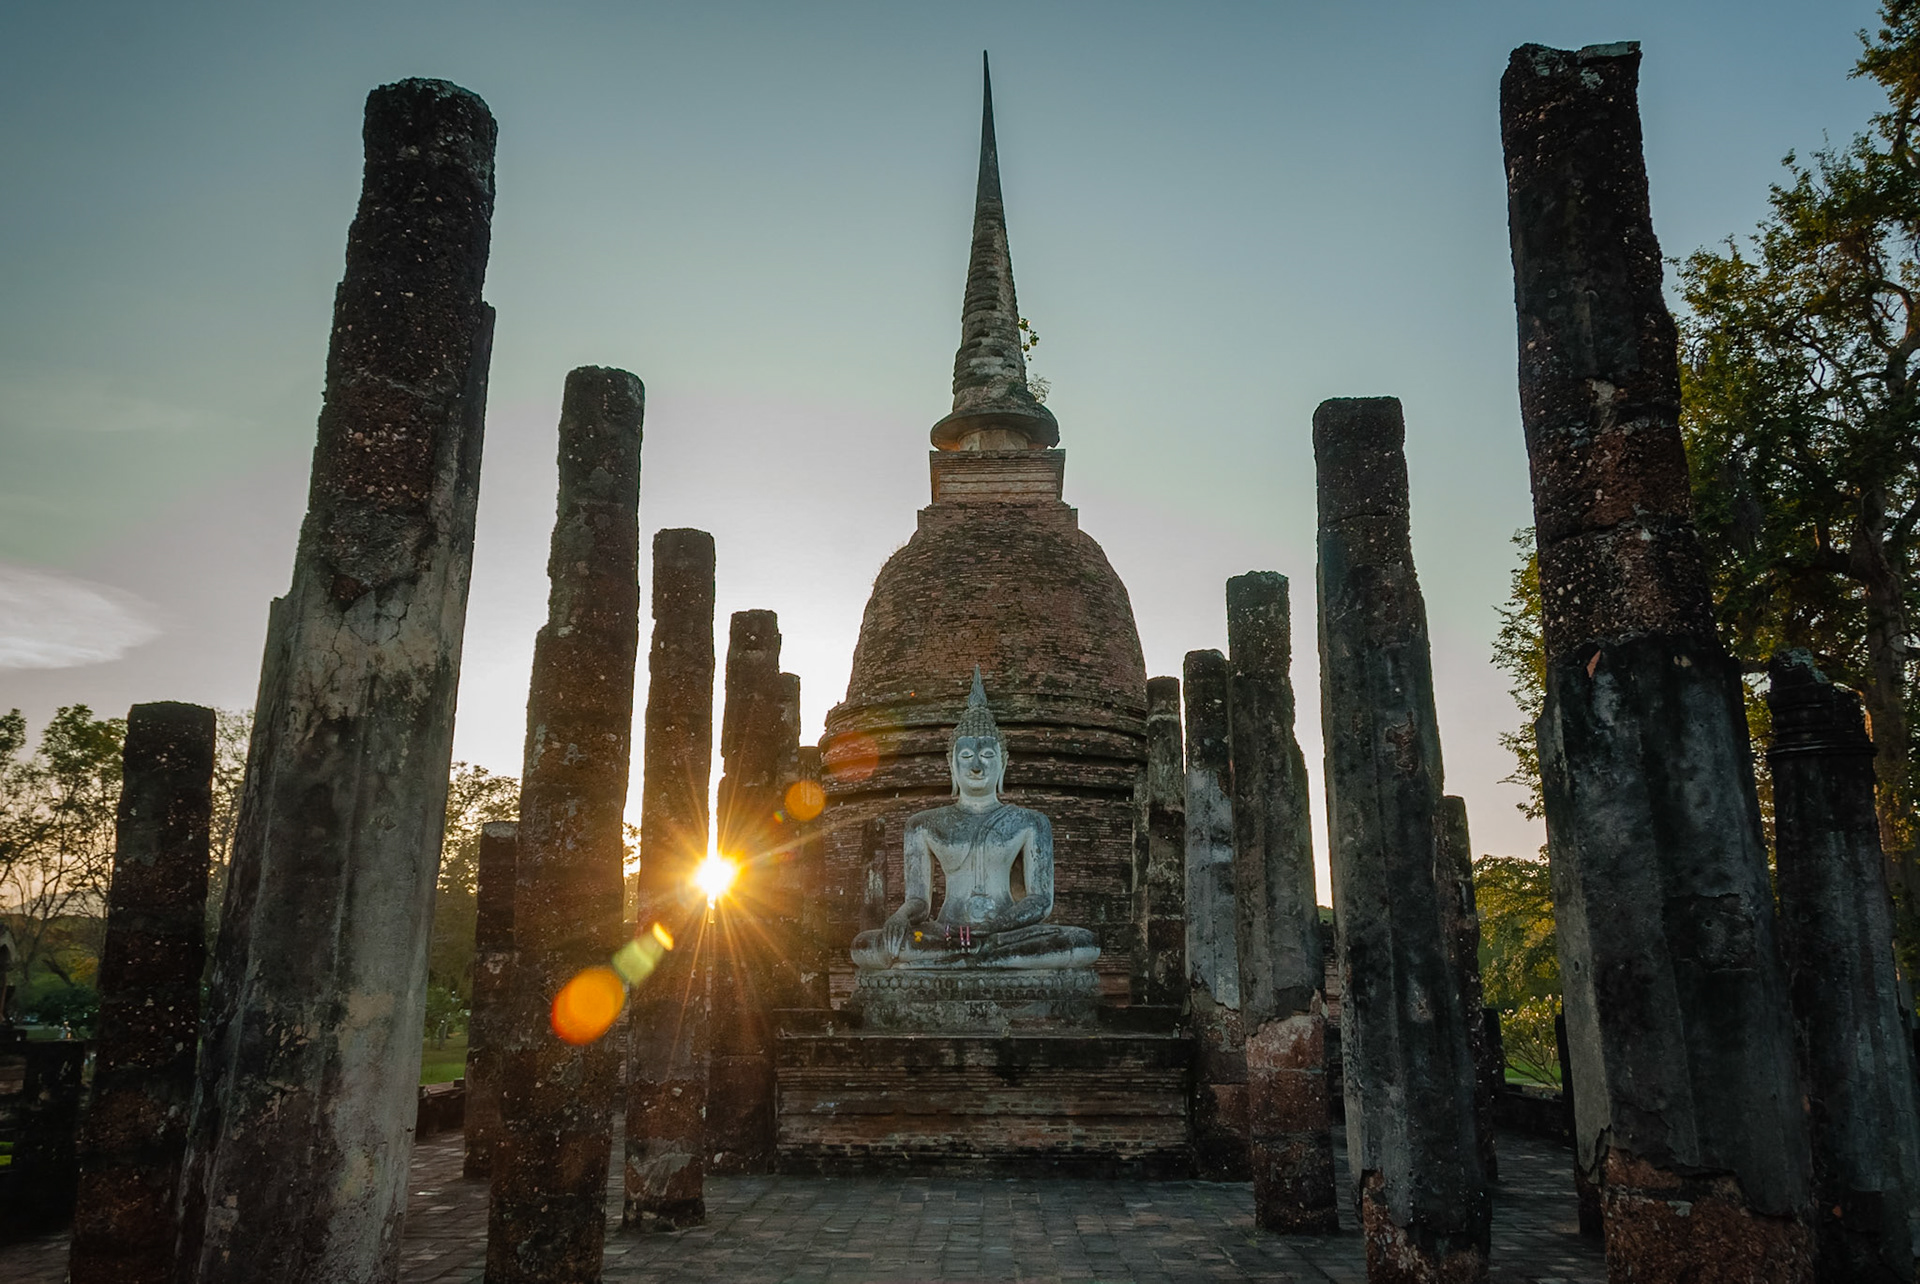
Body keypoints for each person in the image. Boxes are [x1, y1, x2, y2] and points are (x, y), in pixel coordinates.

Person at [851, 669, 1098, 972]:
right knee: (867, 944)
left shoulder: (1030, 823)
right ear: (951, 764)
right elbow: (919, 902)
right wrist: (900, 918)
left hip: (1007, 933)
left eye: (987, 755)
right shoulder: (923, 825)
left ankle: (966, 959)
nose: (977, 766)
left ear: (1003, 763)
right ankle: (985, 960)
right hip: (946, 932)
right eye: (967, 755)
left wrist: (994, 927)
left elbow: (1040, 901)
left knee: (1082, 942)